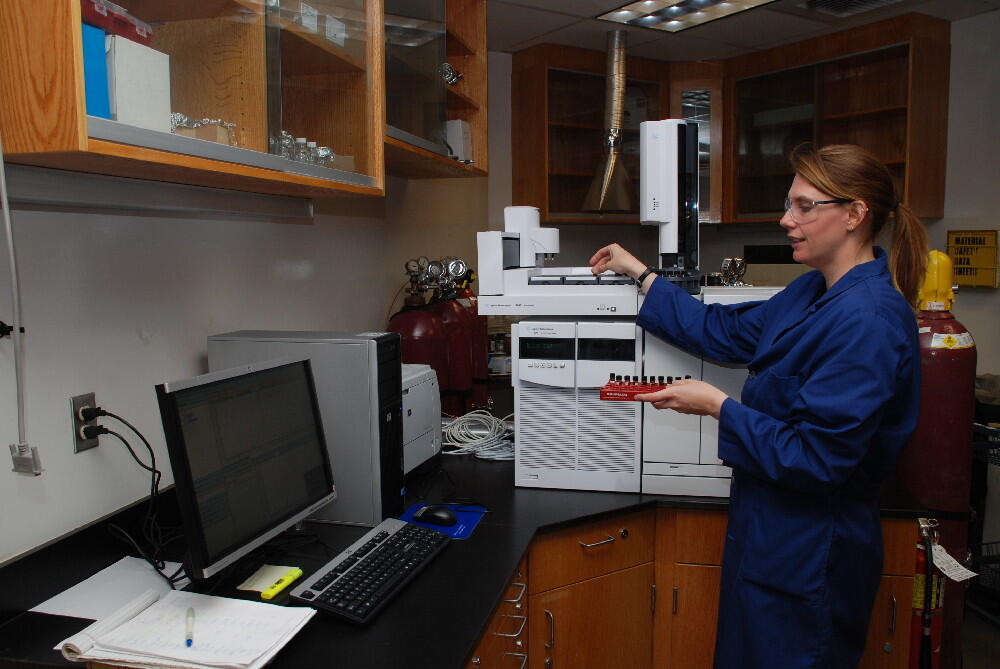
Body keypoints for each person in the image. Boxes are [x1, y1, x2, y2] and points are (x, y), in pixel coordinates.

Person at [590, 143, 927, 668]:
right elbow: (722, 331)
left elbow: (817, 458)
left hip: (814, 548)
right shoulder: (811, 293)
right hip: (769, 533)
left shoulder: (870, 320)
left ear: (855, 214)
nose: (785, 219)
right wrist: (641, 273)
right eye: (788, 204)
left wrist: (718, 406)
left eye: (803, 206)